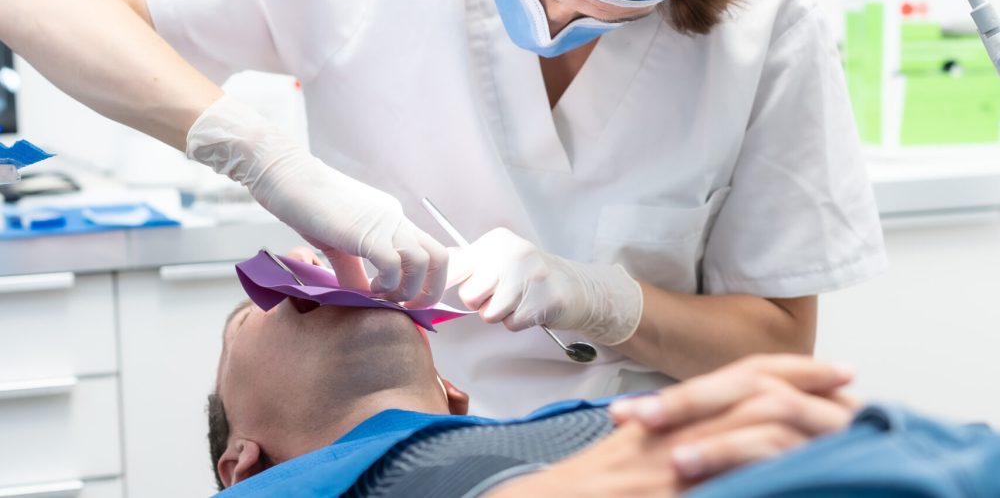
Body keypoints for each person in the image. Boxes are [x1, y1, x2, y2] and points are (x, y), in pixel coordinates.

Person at [0, 0, 887, 415]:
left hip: (638, 455)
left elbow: (774, 346)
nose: (558, 22)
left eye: (611, 16)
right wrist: (267, 161)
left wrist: (596, 300)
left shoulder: (770, 20)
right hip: (409, 440)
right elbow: (38, 5)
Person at [210, 293, 1000, 497]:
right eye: (254, 308)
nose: (310, 270)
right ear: (241, 464)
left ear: (455, 395)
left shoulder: (590, 423)